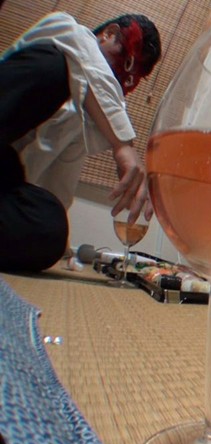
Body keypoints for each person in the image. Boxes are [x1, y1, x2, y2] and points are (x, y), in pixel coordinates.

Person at [0, 12, 161, 271]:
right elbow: (85, 57)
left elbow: (59, 184)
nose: (121, 79)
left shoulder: (86, 118)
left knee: (50, 227)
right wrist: (122, 145)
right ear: (108, 34)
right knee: (54, 68)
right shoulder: (62, 30)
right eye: (126, 62)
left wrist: (57, 245)